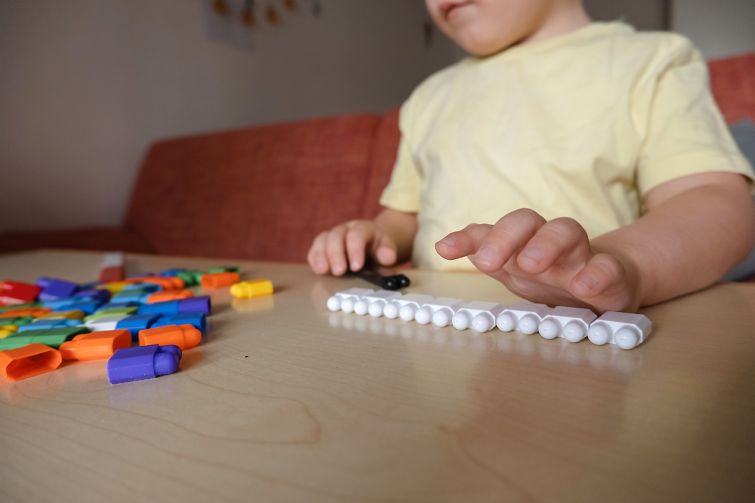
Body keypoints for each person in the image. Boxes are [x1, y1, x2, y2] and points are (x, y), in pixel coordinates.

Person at [307, 0, 754, 313]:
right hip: (432, 323)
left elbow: (715, 201)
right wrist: (373, 236)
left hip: (579, 330)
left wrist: (625, 265)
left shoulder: (650, 60)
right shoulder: (428, 97)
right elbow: (402, 217)